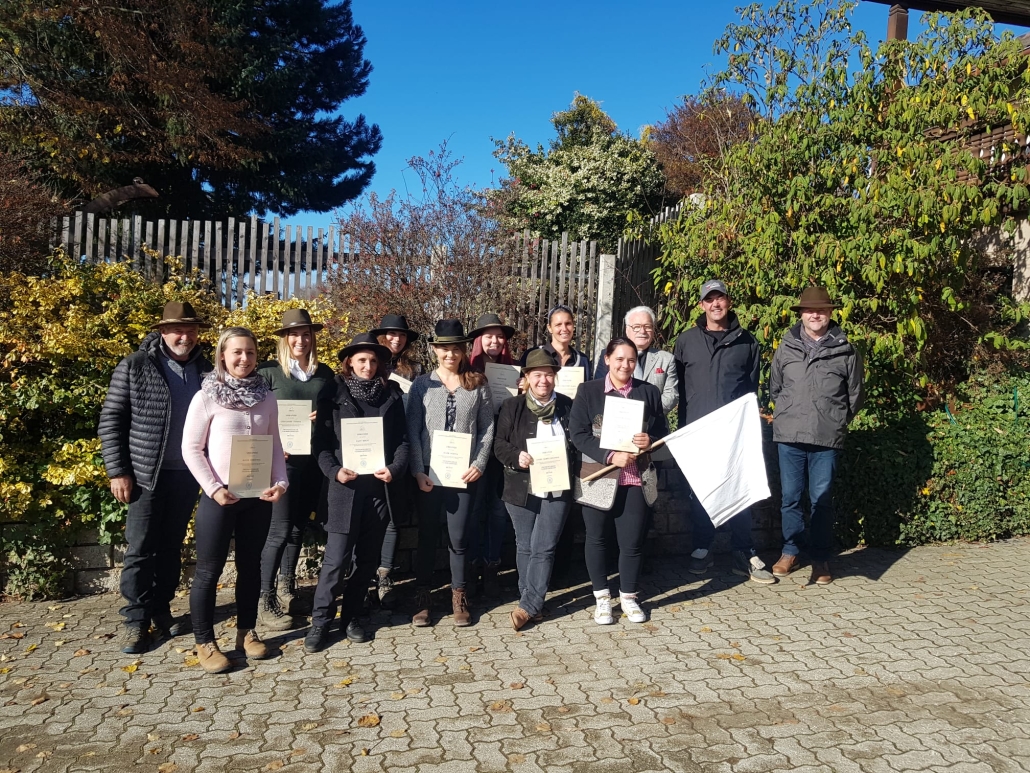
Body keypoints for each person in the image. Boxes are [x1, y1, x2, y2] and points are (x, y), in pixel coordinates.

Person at [99, 301, 212, 654]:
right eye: (178, 329)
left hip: (187, 474)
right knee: (140, 548)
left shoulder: (207, 370)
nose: (186, 336)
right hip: (147, 474)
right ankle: (136, 621)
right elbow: (111, 419)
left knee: (171, 547)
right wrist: (118, 470)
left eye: (191, 329)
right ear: (162, 331)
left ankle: (161, 612)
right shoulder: (135, 365)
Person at [181, 327, 288, 674]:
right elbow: (191, 449)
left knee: (250, 567)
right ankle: (204, 641)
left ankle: (246, 632)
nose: (244, 359)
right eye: (237, 352)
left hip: (256, 496)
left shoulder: (267, 397)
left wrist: (281, 482)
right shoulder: (206, 397)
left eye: (251, 353)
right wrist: (213, 488)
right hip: (220, 496)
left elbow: (274, 444)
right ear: (223, 356)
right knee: (209, 572)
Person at [304, 334, 410, 652]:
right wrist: (334, 470)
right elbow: (320, 444)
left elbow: (403, 441)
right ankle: (320, 623)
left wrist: (395, 467)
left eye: (373, 361)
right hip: (344, 490)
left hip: (379, 490)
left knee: (366, 562)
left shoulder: (391, 394)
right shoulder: (333, 392)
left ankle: (350, 618)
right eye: (361, 360)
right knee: (335, 562)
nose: (368, 365)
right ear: (349, 362)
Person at [673, 279, 775, 584]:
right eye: (710, 300)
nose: (716, 304)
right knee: (701, 493)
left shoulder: (748, 342)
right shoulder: (686, 341)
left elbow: (751, 391)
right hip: (698, 433)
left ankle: (744, 551)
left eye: (721, 299)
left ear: (729, 303)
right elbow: (678, 389)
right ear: (702, 305)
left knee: (739, 492)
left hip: (734, 435)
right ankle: (702, 547)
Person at [569, 338, 668, 625]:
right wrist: (610, 455)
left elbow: (662, 431)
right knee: (597, 539)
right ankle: (602, 599)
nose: (625, 365)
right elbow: (578, 433)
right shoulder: (588, 391)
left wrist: (650, 441)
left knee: (632, 542)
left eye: (631, 360)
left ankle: (629, 598)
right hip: (598, 476)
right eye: (620, 359)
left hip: (636, 477)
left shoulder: (647, 392)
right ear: (607, 359)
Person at [770, 287, 864, 585]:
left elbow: (855, 396)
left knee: (821, 501)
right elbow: (775, 388)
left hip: (826, 438)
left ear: (830, 313)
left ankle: (820, 558)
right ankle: (790, 551)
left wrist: (835, 420)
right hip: (790, 436)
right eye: (810, 310)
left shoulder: (846, 350)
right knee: (790, 498)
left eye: (821, 310)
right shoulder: (786, 347)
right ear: (801, 314)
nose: (815, 315)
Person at [406, 319, 495, 628]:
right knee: (428, 536)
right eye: (444, 349)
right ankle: (423, 597)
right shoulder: (421, 385)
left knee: (458, 539)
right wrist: (418, 470)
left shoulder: (477, 384)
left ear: (463, 350)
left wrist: (479, 464)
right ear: (434, 350)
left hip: (462, 475)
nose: (450, 354)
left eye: (455, 349)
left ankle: (459, 595)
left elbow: (487, 429)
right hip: (429, 476)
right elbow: (414, 431)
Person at [255, 309, 335, 632]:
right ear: (284, 339)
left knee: (299, 527)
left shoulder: (325, 374)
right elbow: (254, 417)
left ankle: (288, 590)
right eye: (294, 334)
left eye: (306, 334)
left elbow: (336, 420)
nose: (300, 340)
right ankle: (265, 598)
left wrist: (323, 419)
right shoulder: (269, 373)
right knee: (278, 530)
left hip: (313, 462)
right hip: (281, 463)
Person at [493, 348, 575, 631]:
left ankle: (528, 606)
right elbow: (499, 445)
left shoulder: (568, 406)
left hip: (558, 487)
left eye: (549, 375)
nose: (544, 380)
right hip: (520, 487)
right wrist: (517, 456)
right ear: (527, 378)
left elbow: (578, 442)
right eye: (538, 375)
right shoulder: (511, 407)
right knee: (525, 545)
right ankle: (531, 602)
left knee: (544, 546)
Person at [370, 314, 423, 607]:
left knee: (393, 514)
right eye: (391, 334)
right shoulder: (370, 363)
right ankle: (363, 573)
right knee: (367, 515)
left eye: (401, 335)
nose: (397, 339)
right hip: (366, 447)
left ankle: (385, 574)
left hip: (398, 447)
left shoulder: (413, 370)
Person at [467, 312, 517, 596]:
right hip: (475, 450)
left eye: (500, 336)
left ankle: (491, 566)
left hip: (504, 448)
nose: (495, 340)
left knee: (498, 510)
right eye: (489, 335)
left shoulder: (513, 370)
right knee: (475, 510)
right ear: (479, 340)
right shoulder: (467, 370)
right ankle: (473, 565)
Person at [594, 306, 677, 415]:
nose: (642, 331)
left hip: (653, 421)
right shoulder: (610, 355)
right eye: (636, 327)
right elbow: (601, 389)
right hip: (616, 417)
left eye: (647, 326)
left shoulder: (666, 359)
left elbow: (671, 395)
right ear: (627, 330)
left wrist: (645, 412)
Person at [521, 305, 592, 381]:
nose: (564, 329)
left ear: (573, 325)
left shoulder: (582, 360)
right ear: (550, 328)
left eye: (568, 323)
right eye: (558, 325)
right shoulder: (532, 355)